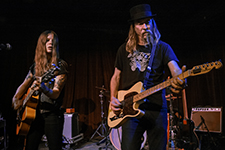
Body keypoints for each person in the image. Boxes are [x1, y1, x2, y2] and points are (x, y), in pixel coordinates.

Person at [110, 4, 186, 150]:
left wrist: (180, 78)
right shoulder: (123, 49)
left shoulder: (163, 47)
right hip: (129, 108)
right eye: (140, 23)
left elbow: (175, 69)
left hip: (156, 108)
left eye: (148, 22)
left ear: (152, 23)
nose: (145, 26)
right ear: (133, 26)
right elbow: (115, 77)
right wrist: (112, 99)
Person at [12, 30, 68, 150]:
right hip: (34, 115)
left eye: (53, 41)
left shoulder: (60, 66)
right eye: (47, 40)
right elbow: (24, 84)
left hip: (52, 115)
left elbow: (56, 93)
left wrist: (43, 88)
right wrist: (16, 98)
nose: (50, 43)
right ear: (41, 44)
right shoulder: (35, 67)